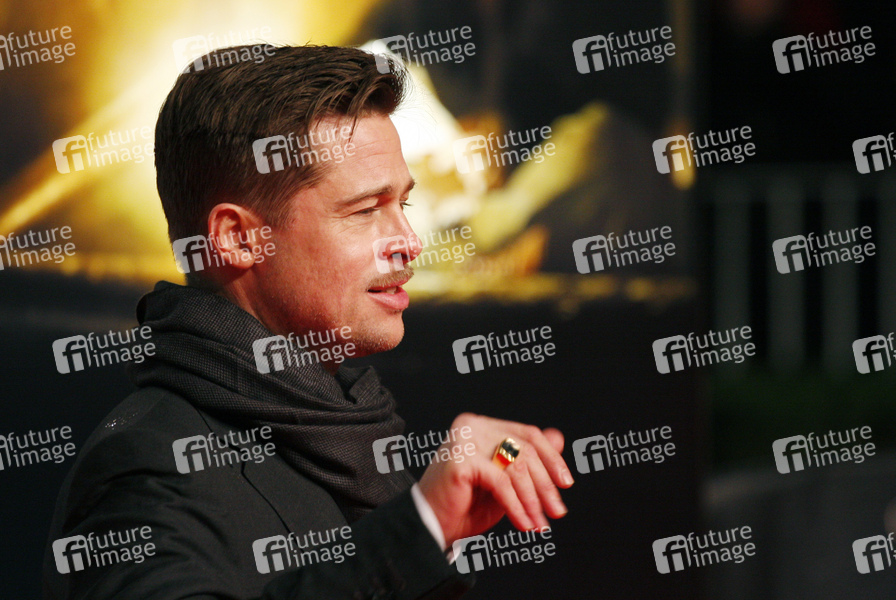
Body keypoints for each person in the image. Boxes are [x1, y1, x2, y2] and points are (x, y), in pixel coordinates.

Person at [42, 44, 573, 599]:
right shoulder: (144, 468)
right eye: (366, 210)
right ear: (238, 238)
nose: (409, 242)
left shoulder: (350, 432)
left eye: (404, 205)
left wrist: (434, 531)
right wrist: (421, 528)